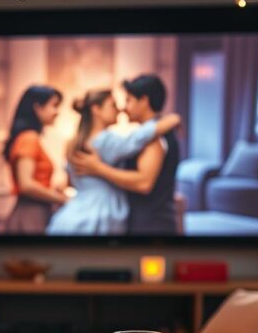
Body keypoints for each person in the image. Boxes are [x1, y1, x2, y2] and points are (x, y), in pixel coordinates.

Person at [47, 89, 181, 235]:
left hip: (74, 212)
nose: (119, 110)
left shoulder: (72, 142)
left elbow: (71, 182)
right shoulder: (106, 141)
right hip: (102, 213)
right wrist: (171, 120)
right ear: (96, 109)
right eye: (113, 105)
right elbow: (136, 138)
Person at [3, 85, 68, 234]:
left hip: (35, 211)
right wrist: (63, 199)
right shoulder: (29, 138)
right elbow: (26, 184)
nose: (57, 112)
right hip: (30, 214)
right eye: (54, 106)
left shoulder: (30, 138)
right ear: (38, 107)